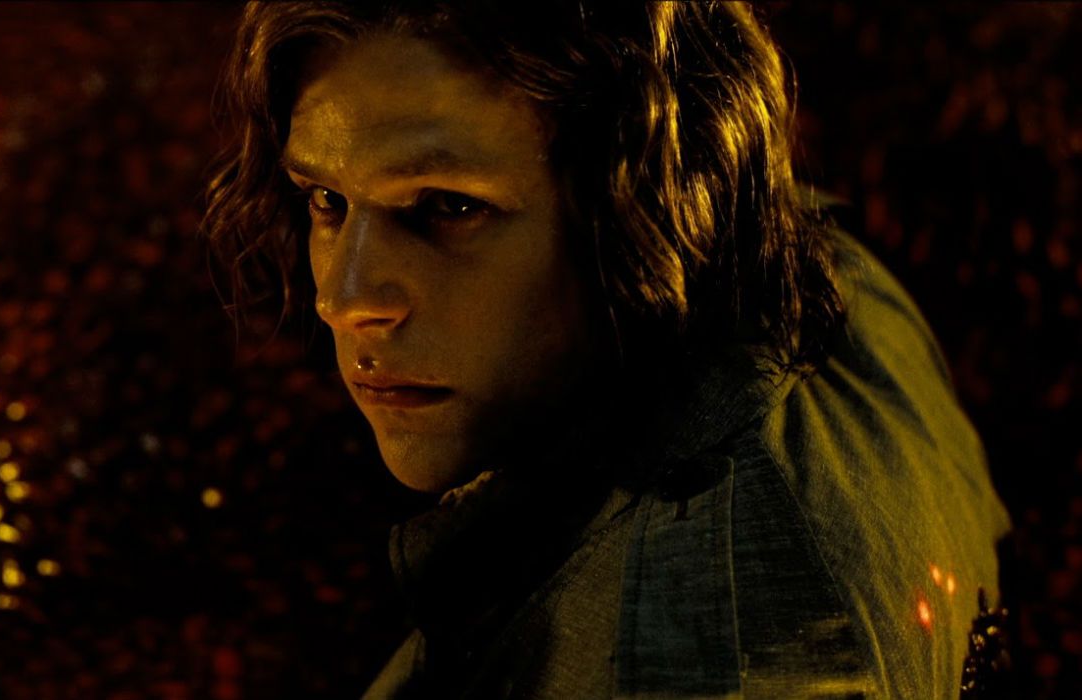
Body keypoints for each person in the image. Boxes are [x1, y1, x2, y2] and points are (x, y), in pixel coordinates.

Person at [200, 2, 1013, 698]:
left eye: (448, 207)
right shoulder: (818, 267)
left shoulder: (704, 664)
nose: (345, 301)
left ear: (647, 206)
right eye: (327, 199)